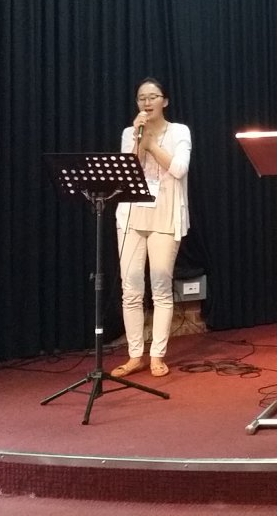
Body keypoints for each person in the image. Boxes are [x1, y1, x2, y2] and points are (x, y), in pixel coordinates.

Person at [111, 78, 192, 379]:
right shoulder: (129, 133)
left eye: (153, 97)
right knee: (131, 288)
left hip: (165, 215)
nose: (146, 103)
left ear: (165, 101)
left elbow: (179, 169)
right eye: (141, 98)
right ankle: (135, 355)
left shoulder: (180, 131)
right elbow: (125, 173)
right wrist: (137, 139)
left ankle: (157, 354)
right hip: (132, 215)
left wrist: (151, 145)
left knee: (160, 286)